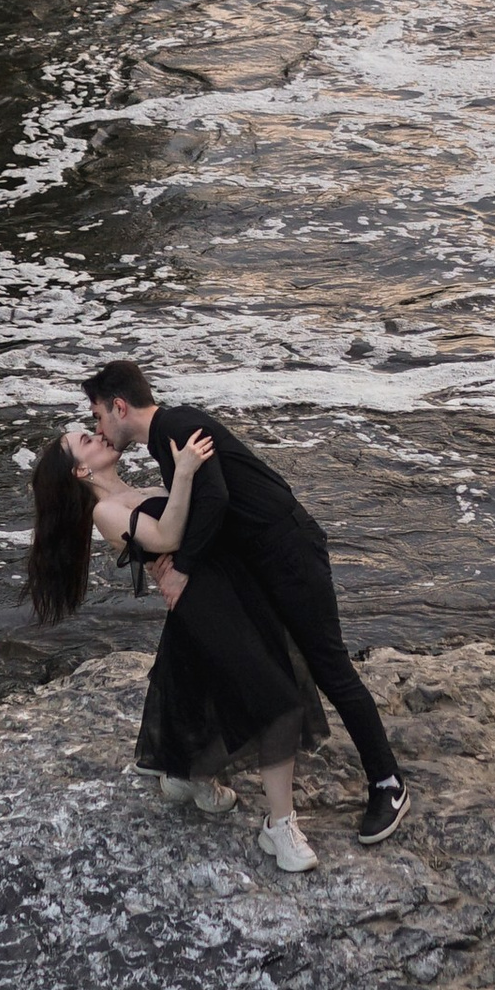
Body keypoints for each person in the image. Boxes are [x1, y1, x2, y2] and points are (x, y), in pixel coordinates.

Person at [80, 360, 409, 846]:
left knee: (328, 666)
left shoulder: (175, 428)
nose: (99, 429)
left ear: (119, 406)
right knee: (210, 652)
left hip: (289, 553)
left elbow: (214, 499)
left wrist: (182, 569)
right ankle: (185, 765)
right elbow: (189, 509)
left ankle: (388, 782)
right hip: (261, 561)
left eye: (98, 416)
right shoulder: (168, 437)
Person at [25, 420, 325, 873]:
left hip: (231, 590)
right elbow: (167, 537)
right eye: (86, 441)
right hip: (205, 605)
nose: (98, 434)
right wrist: (183, 473)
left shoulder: (136, 488)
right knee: (277, 701)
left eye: (91, 429)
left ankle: (189, 776)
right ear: (79, 473)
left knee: (205, 698)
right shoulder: (105, 511)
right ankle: (279, 826)